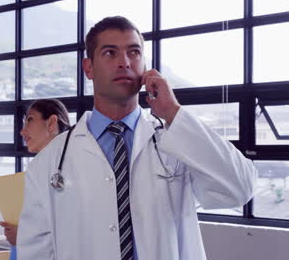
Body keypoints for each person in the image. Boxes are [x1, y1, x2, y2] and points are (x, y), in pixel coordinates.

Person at [17, 16, 257, 260]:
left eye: (134, 52)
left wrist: (174, 112)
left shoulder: (175, 142)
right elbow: (35, 250)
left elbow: (240, 188)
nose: (124, 62)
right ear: (88, 68)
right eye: (110, 53)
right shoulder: (50, 160)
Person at [0, 99, 71, 260]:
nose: (22, 131)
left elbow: (69, 229)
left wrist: (22, 235)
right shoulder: (41, 166)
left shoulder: (70, 163)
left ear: (51, 123)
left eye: (30, 120)